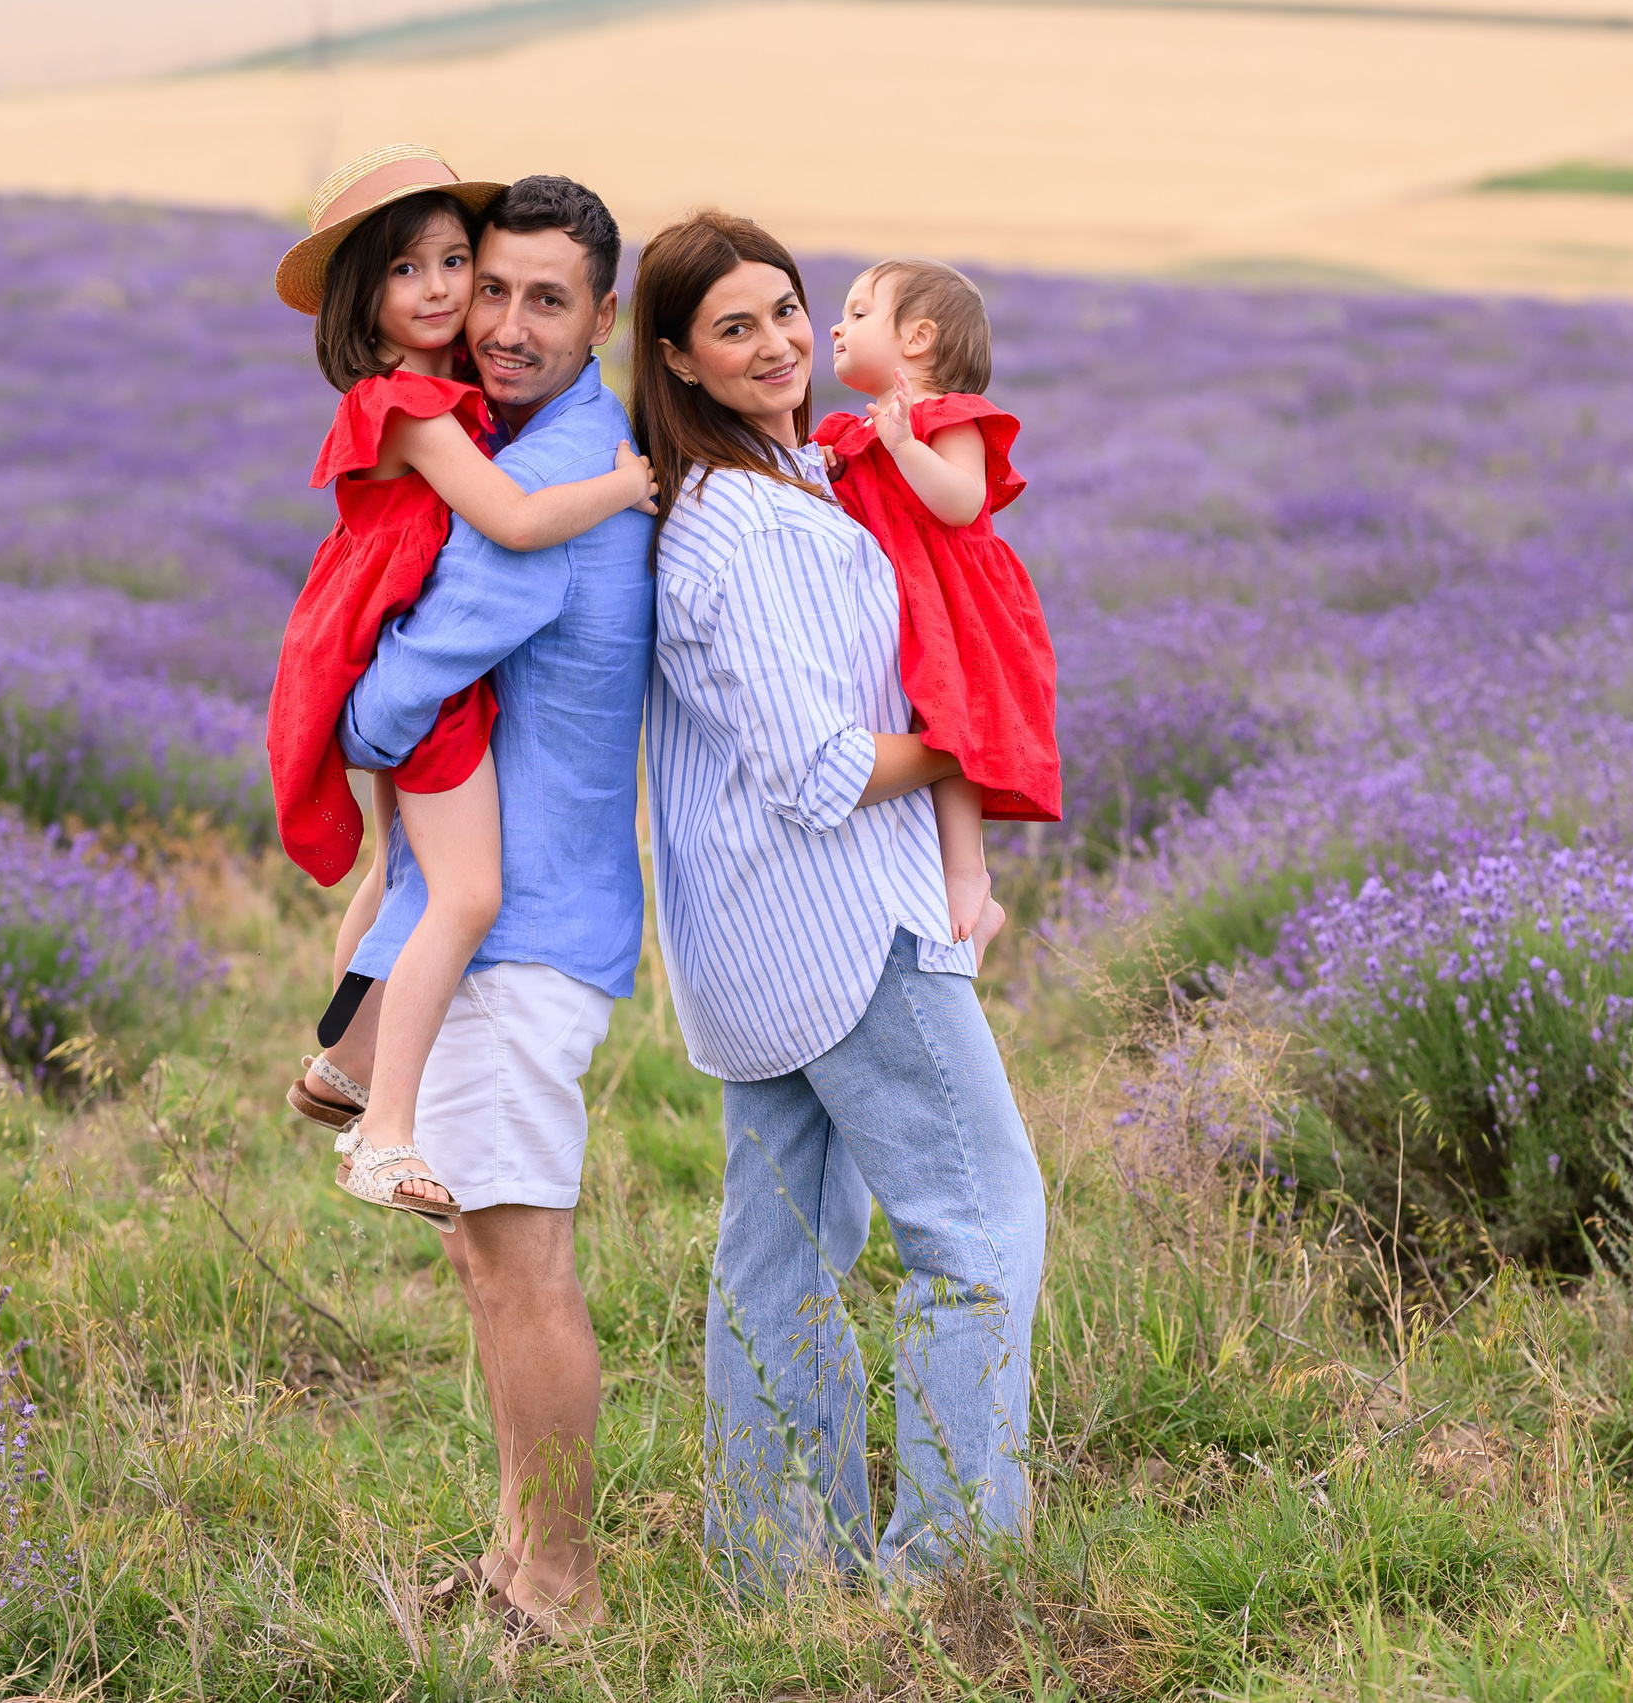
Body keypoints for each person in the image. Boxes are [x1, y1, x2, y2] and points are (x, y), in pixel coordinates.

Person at [631, 210, 1048, 1586]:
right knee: (981, 1230)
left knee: (782, 1249)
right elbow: (818, 769)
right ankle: (951, 1571)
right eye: (734, 327)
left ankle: (776, 1568)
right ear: (679, 360)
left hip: (761, 937)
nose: (779, 343)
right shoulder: (745, 524)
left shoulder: (792, 480)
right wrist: (974, 739)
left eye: (789, 310)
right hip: (842, 921)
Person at [308, 174, 657, 1632]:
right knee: (482, 1249)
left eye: (543, 299)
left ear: (604, 318)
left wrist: (346, 713)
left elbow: (395, 706)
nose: (501, 324)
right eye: (486, 287)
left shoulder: (558, 477)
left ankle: (559, 1584)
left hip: (525, 939)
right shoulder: (523, 440)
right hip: (505, 925)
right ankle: (519, 1550)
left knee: (520, 1266)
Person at [266, 145, 655, 1231]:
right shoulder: (439, 415)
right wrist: (628, 487)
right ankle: (381, 1125)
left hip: (375, 632)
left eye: (455, 264)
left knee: (403, 865)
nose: (453, 298)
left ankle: (344, 1062)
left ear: (600, 315)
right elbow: (518, 523)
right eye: (427, 274)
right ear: (363, 298)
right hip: (406, 673)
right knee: (462, 888)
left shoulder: (450, 401)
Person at [818, 260, 1060, 959]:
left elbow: (962, 500)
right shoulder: (852, 433)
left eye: (860, 312)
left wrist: (903, 445)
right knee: (918, 736)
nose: (837, 323)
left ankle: (969, 882)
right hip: (903, 601)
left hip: (957, 603)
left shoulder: (946, 419)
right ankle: (940, 885)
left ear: (918, 338)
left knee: (952, 735)